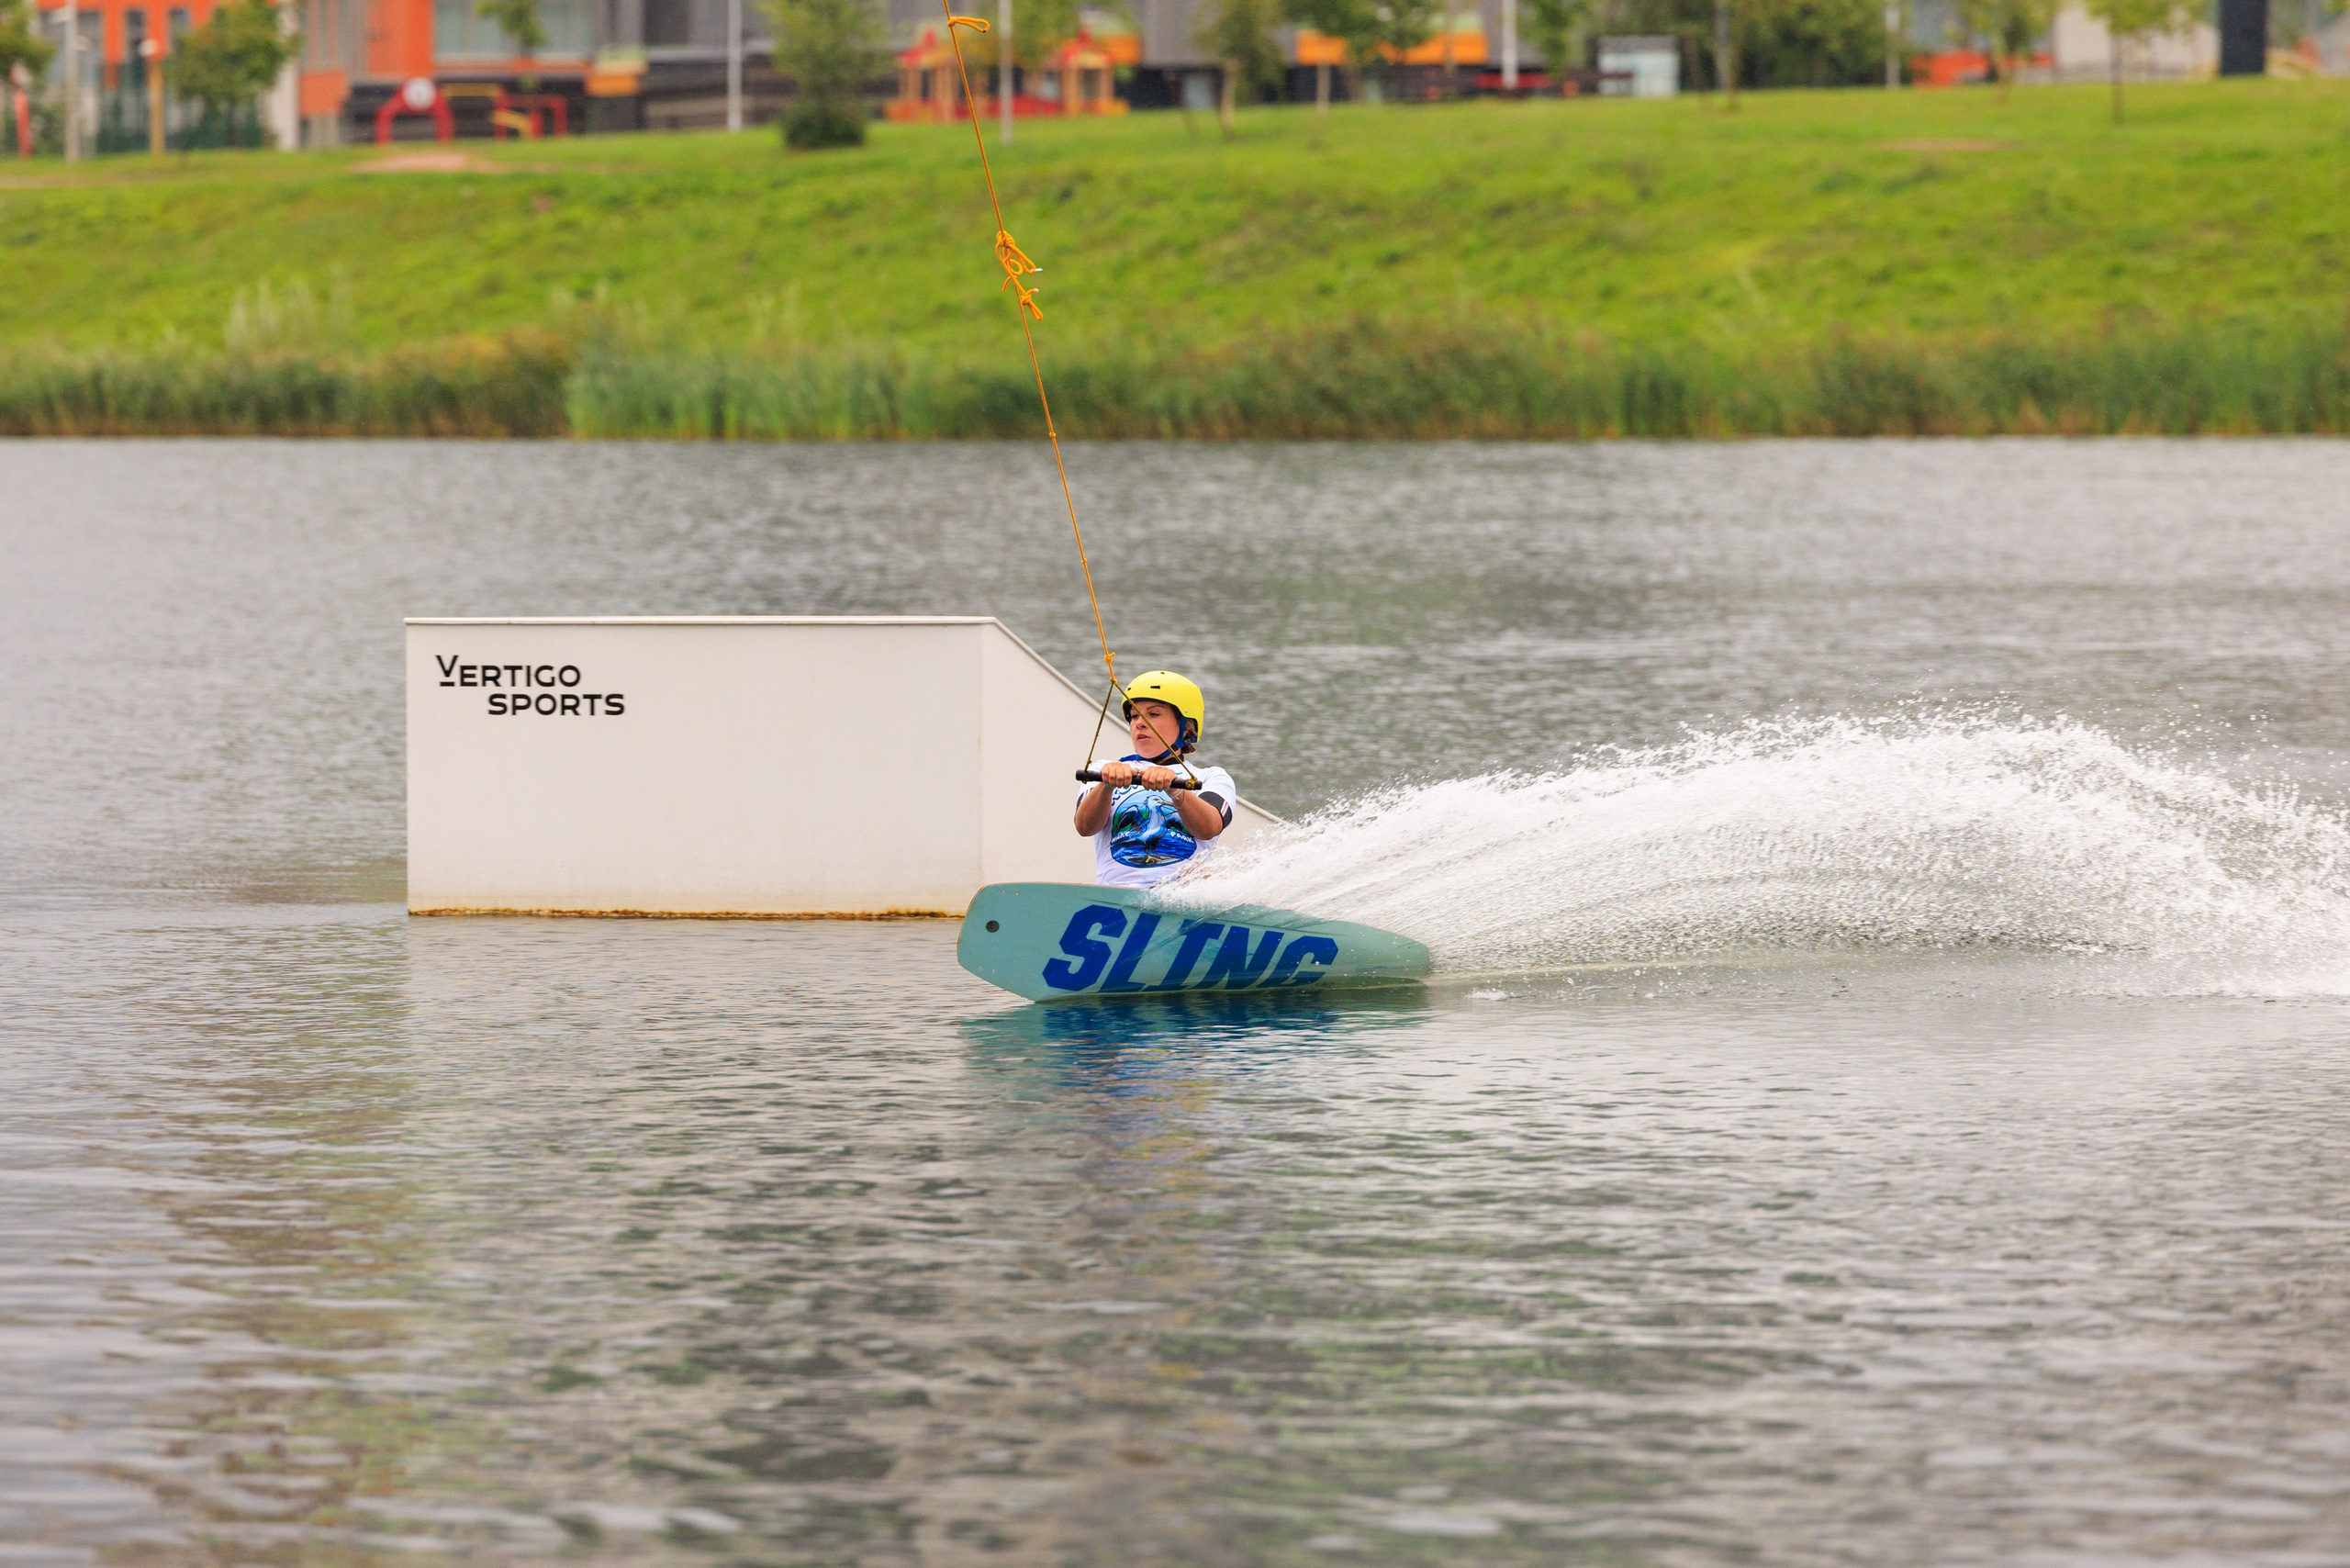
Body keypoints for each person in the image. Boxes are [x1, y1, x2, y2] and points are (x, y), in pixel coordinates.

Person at [1074, 670, 1236, 889]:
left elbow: (1209, 828)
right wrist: (1106, 785)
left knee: (1212, 873)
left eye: (1153, 714)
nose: (1139, 723)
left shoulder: (1211, 777)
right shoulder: (1102, 770)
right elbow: (1084, 827)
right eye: (1134, 716)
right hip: (1116, 892)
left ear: (1186, 727)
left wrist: (1176, 791)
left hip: (1181, 895)